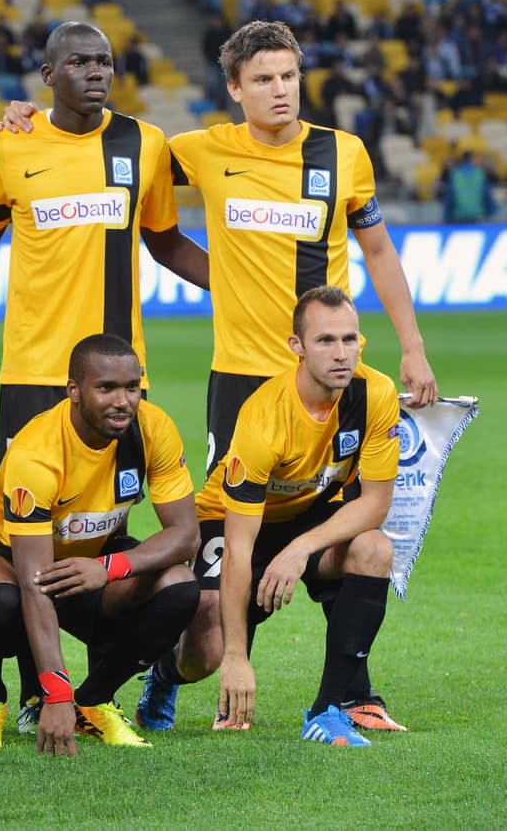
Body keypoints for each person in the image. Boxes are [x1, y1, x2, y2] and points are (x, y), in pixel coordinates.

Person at [134, 20, 435, 734]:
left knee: (367, 541)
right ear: (235, 88)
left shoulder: (342, 153)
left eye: (289, 76)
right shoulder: (203, 151)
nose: (279, 90)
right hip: (243, 384)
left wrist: (412, 346)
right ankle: (179, 669)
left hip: (330, 383)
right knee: (210, 612)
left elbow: (382, 254)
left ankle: (345, 696)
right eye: (263, 79)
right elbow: (140, 199)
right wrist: (226, 285)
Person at [0, 22, 208, 469]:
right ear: (49, 74)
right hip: (33, 370)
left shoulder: (145, 144)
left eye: (104, 62)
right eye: (79, 62)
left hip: (117, 374)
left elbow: (167, 244)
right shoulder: (7, 145)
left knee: (110, 516)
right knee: (24, 517)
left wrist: (241, 285)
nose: (95, 72)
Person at [0, 334, 200, 754]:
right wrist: (55, 693)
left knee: (179, 587)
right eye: (106, 388)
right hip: (13, 560)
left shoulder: (153, 428)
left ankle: (95, 700)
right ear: (74, 391)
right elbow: (35, 583)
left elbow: (186, 534)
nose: (122, 400)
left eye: (131, 387)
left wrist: (108, 568)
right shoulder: (36, 452)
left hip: (91, 562)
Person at [196, 286, 400, 746]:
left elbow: (375, 503)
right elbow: (240, 547)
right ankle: (166, 678)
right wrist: (234, 655)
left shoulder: (376, 394)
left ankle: (327, 711)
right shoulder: (263, 419)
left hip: (307, 516)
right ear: (298, 347)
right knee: (205, 648)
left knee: (374, 549)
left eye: (350, 340)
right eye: (326, 341)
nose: (341, 353)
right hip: (233, 519)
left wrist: (300, 548)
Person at [441, 150, 498, 223]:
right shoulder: (480, 174)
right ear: (472, 159)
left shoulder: (455, 174)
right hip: (477, 214)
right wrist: (491, 212)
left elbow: (449, 196)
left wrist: (446, 216)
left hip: (458, 215)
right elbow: (487, 195)